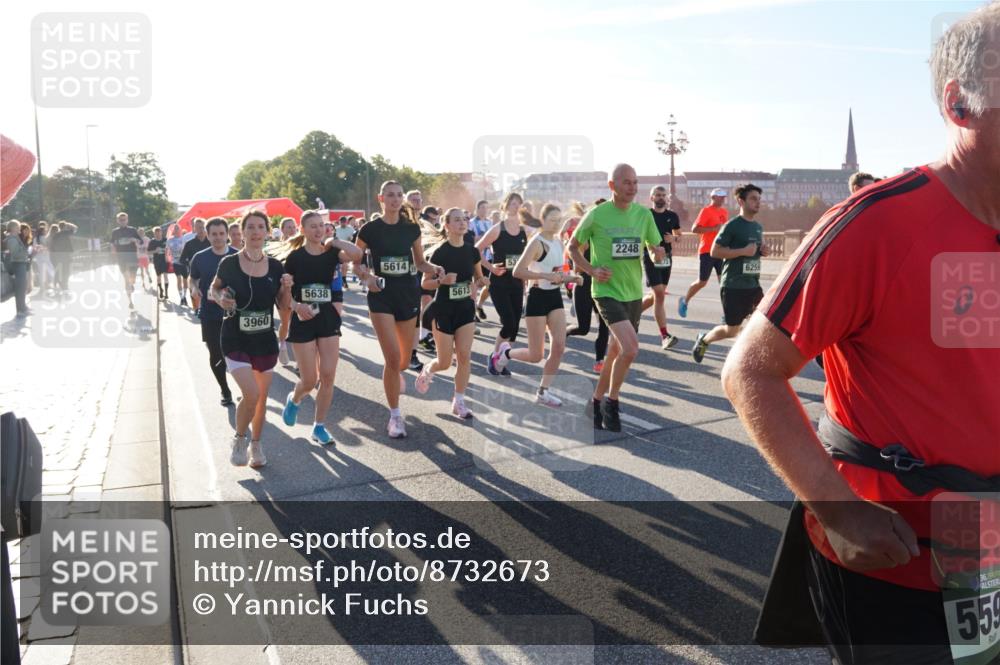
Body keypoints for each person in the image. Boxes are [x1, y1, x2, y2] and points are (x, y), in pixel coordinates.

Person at [724, 4, 1000, 662]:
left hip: (982, 546)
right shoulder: (877, 225)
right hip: (895, 560)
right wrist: (839, 509)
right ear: (959, 105)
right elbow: (750, 370)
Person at [569, 164, 665, 431]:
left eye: (635, 182)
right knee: (631, 348)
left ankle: (595, 402)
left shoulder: (643, 215)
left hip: (632, 293)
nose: (632, 187)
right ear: (612, 186)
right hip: (606, 291)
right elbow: (572, 248)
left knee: (614, 352)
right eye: (626, 182)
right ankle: (612, 403)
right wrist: (591, 270)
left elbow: (653, 245)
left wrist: (658, 252)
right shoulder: (597, 215)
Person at [353, 180, 444, 438]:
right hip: (381, 296)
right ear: (381, 198)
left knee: (403, 361)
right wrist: (366, 277)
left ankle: (396, 375)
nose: (394, 199)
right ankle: (394, 416)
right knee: (392, 359)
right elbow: (355, 261)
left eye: (398, 195)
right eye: (389, 195)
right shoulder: (370, 229)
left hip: (407, 295)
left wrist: (434, 269)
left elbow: (420, 263)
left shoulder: (411, 228)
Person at [209, 210, 292, 469]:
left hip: (263, 340)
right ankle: (240, 439)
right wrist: (220, 298)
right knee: (251, 392)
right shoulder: (229, 264)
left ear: (267, 232)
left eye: (260, 227)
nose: (256, 232)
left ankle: (256, 444)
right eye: (250, 228)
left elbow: (283, 305)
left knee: (260, 398)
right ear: (241, 233)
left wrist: (287, 288)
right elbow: (214, 288)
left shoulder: (277, 266)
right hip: (235, 338)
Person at [281, 211, 363, 444]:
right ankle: (295, 399)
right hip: (304, 320)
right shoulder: (294, 258)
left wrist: (334, 241)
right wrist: (297, 306)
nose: (318, 230)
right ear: (303, 229)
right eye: (313, 226)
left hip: (327, 318)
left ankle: (319, 427)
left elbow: (357, 254)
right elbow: (284, 298)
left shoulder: (332, 253)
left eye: (321, 226)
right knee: (309, 380)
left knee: (328, 376)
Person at [494, 203, 583, 406]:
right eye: (552, 220)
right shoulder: (537, 242)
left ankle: (543, 392)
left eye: (559, 220)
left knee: (559, 347)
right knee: (536, 355)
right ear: (543, 221)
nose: (556, 223)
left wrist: (572, 278)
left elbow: (557, 272)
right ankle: (505, 353)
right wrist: (544, 275)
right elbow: (517, 271)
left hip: (554, 298)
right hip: (536, 297)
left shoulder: (559, 242)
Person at [414, 208, 488, 418]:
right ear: (446, 225)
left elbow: (478, 278)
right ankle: (429, 369)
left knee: (464, 356)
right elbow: (425, 283)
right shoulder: (440, 252)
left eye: (464, 219)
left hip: (465, 310)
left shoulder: (472, 251)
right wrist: (441, 281)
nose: (462, 223)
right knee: (444, 362)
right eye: (456, 220)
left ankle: (459, 401)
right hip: (444, 310)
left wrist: (482, 282)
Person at [691, 184, 769, 363]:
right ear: (741, 201)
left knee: (764, 322)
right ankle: (704, 340)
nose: (758, 202)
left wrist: (763, 250)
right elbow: (715, 251)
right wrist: (742, 251)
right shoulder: (731, 226)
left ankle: (752, 360)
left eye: (759, 199)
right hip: (733, 285)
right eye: (753, 199)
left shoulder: (757, 227)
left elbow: (756, 250)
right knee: (731, 330)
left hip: (753, 284)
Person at [477, 192, 528, 376]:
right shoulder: (498, 229)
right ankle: (494, 357)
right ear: (505, 206)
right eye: (513, 203)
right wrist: (490, 267)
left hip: (517, 284)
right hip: (499, 284)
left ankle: (502, 360)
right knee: (508, 323)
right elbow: (477, 250)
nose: (516, 206)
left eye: (519, 204)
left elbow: (528, 258)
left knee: (514, 327)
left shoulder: (524, 231)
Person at [189, 218, 238, 406]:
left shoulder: (238, 255)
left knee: (237, 353)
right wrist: (193, 289)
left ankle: (244, 386)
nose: (218, 238)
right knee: (216, 355)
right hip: (210, 314)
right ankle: (225, 390)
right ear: (207, 236)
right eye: (214, 234)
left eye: (221, 234)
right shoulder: (200, 257)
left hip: (234, 314)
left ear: (227, 235)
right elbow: (192, 278)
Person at [565, 200, 611, 372]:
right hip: (584, 283)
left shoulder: (609, 235)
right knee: (583, 328)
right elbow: (576, 266)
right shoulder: (586, 234)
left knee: (604, 325)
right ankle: (565, 332)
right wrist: (593, 268)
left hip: (603, 285)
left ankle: (600, 360)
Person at [640, 186, 682, 350]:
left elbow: (679, 236)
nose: (661, 197)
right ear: (651, 198)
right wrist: (651, 248)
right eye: (658, 195)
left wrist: (674, 238)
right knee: (659, 295)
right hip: (651, 257)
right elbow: (640, 235)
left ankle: (631, 316)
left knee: (655, 296)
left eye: (663, 195)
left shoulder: (672, 216)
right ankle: (664, 335)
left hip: (667, 258)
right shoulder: (646, 215)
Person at [678, 189, 728, 317]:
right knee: (702, 282)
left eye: (724, 197)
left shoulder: (724, 212)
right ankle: (685, 300)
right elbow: (694, 229)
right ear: (713, 197)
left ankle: (727, 314)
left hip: (720, 251)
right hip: (706, 251)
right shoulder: (706, 211)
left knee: (724, 282)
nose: (723, 199)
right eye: (720, 197)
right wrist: (712, 229)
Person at [416, 206, 442, 355]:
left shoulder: (438, 228)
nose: (434, 220)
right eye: (431, 217)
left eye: (436, 217)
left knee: (432, 301)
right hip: (421, 267)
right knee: (426, 300)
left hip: (435, 267)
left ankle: (428, 333)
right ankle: (423, 336)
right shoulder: (419, 226)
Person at [109, 212, 142, 311]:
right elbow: (111, 243)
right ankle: (130, 301)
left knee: (132, 278)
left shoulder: (132, 230)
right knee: (126, 279)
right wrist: (112, 249)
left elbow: (141, 241)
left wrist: (134, 240)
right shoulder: (115, 232)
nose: (123, 221)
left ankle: (132, 284)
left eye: (124, 219)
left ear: (127, 220)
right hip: (121, 258)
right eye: (121, 220)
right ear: (118, 221)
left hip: (132, 257)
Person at [179, 218, 211, 312]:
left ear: (205, 228)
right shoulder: (189, 244)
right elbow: (182, 259)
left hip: (209, 273)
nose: (200, 230)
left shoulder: (210, 242)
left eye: (202, 227)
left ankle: (206, 309)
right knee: (194, 293)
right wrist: (189, 263)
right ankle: (196, 309)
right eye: (198, 227)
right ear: (194, 229)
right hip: (194, 274)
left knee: (208, 295)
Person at [4, 221, 31, 316]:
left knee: (22, 287)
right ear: (14, 228)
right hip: (18, 264)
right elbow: (15, 254)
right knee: (20, 288)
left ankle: (23, 308)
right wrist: (27, 252)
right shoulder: (12, 239)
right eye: (18, 226)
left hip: (20, 264)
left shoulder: (14, 238)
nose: (20, 228)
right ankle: (20, 310)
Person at [49, 221, 76, 293]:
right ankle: (64, 285)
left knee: (60, 270)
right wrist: (68, 224)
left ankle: (58, 284)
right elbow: (75, 228)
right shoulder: (66, 233)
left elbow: (52, 246)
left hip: (58, 255)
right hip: (66, 255)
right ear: (64, 227)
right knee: (67, 270)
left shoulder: (55, 235)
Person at [166, 223, 188, 303]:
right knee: (178, 278)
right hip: (175, 262)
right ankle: (181, 297)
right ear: (173, 231)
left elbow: (188, 249)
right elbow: (167, 249)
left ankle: (185, 296)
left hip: (184, 262)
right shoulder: (170, 240)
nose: (176, 230)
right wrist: (167, 258)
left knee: (185, 279)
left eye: (178, 228)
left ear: (180, 230)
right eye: (175, 228)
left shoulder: (184, 239)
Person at [147, 226, 169, 299]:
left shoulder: (165, 240)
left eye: (159, 233)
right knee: (159, 276)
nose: (158, 234)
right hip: (157, 261)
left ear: (161, 232)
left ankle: (166, 292)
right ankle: (161, 290)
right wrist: (155, 251)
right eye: (156, 233)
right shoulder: (152, 241)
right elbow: (148, 252)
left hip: (164, 260)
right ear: (154, 234)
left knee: (165, 275)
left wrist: (166, 251)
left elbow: (169, 249)